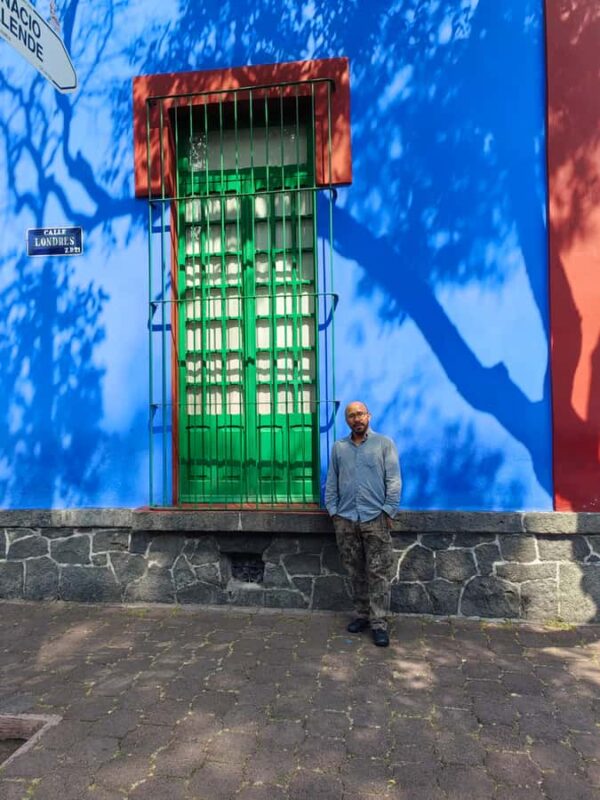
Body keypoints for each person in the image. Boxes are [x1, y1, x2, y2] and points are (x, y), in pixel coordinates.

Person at [325, 401, 402, 647]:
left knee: (378, 573)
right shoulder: (339, 448)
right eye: (351, 416)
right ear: (346, 420)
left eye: (360, 414)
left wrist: (388, 510)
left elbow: (394, 480)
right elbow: (331, 482)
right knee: (354, 571)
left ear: (368, 416)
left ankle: (379, 624)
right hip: (346, 519)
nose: (356, 419)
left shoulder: (384, 444)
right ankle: (362, 615)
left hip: (374, 519)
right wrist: (334, 512)